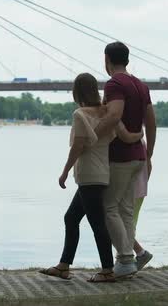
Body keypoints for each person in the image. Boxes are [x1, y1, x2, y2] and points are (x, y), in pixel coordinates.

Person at [39, 73, 143, 283]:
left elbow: (78, 146)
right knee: (71, 218)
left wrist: (65, 171)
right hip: (101, 174)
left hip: (87, 174)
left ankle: (106, 270)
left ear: (77, 92)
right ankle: (63, 266)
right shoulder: (107, 112)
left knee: (97, 224)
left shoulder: (80, 114)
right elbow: (125, 136)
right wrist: (140, 136)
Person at [95, 42, 157, 279]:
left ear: (107, 59)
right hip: (138, 157)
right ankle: (130, 258)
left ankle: (124, 259)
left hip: (120, 156)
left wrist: (91, 138)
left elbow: (114, 115)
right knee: (126, 211)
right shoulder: (141, 86)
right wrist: (149, 154)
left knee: (108, 206)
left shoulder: (114, 84)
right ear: (127, 60)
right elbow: (151, 122)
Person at [132, 139, 153, 270]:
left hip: (130, 190)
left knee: (119, 225)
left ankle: (140, 253)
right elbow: (149, 166)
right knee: (129, 224)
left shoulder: (130, 139)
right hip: (140, 189)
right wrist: (144, 183)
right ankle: (124, 261)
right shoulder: (141, 141)